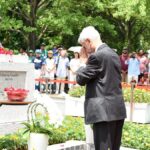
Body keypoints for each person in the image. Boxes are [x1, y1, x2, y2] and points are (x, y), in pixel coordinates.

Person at [76, 26, 126, 150]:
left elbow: (81, 79)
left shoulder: (96, 57)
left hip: (103, 112)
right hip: (116, 109)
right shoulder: (113, 53)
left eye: (84, 45)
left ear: (88, 41)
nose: (84, 49)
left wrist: (82, 61)